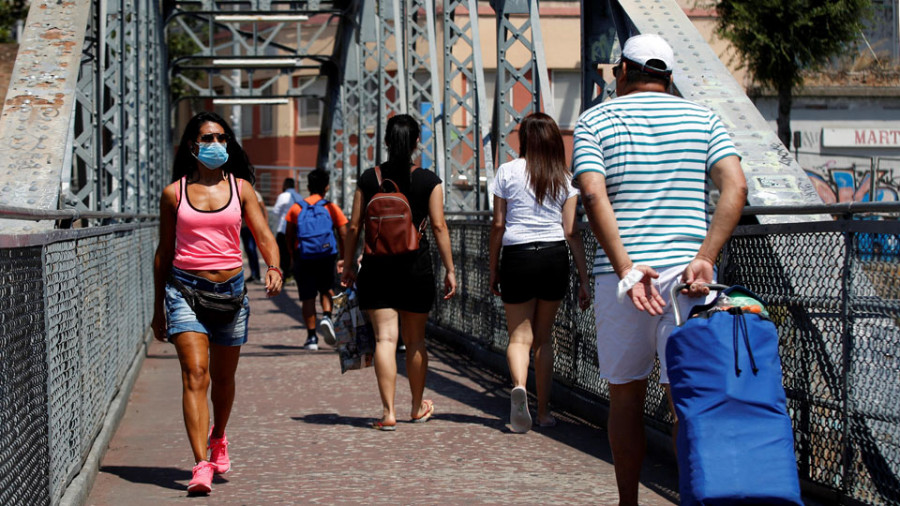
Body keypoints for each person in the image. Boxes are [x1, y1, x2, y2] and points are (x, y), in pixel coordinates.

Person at [572, 34, 747, 506]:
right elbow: (735, 188)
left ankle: (629, 502)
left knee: (625, 400)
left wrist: (627, 268)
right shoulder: (704, 118)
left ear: (622, 72)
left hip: (624, 282)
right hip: (688, 285)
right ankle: (695, 497)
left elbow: (592, 196)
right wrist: (706, 255)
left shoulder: (595, 120)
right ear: (669, 78)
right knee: (687, 403)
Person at [150, 111, 283, 495]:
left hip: (231, 294)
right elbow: (163, 252)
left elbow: (263, 233)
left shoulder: (241, 189)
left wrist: (273, 265)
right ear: (192, 145)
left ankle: (219, 435)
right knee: (196, 375)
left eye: (222, 138)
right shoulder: (173, 193)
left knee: (223, 380)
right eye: (208, 139)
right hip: (185, 292)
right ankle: (201, 464)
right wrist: (158, 307)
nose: (216, 145)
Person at [341, 114, 457, 431]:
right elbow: (438, 225)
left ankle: (388, 412)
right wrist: (450, 268)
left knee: (385, 340)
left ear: (387, 142)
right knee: (416, 341)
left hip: (377, 268)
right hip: (415, 267)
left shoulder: (369, 178)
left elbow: (353, 225)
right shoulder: (428, 179)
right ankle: (417, 406)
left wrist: (348, 263)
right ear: (417, 142)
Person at [488, 112, 590, 433]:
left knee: (519, 337)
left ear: (524, 140)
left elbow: (498, 225)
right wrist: (584, 279)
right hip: (553, 255)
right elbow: (571, 231)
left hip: (517, 255)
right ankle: (544, 412)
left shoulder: (507, 171)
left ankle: (520, 387)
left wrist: (493, 268)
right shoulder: (565, 176)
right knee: (544, 340)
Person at [284, 168, 348, 350]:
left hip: (303, 256)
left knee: (307, 297)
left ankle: (311, 338)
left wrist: (290, 256)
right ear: (326, 187)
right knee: (327, 287)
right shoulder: (330, 207)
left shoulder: (296, 208)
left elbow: (288, 235)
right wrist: (343, 258)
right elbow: (344, 234)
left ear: (308, 186)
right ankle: (327, 316)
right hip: (327, 255)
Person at [272, 177, 300, 279]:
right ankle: (292, 273)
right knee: (294, 252)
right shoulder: (299, 196)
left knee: (283, 253)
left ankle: (286, 273)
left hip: (283, 229)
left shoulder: (283, 196)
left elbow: (275, 211)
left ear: (286, 185)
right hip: (296, 230)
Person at [239, 188, 266, 283]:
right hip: (243, 226)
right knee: (248, 250)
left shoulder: (254, 193)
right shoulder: (236, 191)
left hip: (252, 227)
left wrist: (264, 224)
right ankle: (253, 274)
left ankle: (257, 275)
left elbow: (262, 208)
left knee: (251, 249)